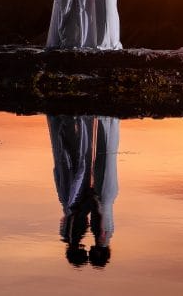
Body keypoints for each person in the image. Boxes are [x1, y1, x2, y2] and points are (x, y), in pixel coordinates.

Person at [47, 115, 119, 268]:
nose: (88, 249)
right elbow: (96, 212)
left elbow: (78, 214)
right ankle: (86, 123)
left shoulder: (92, 236)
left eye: (84, 253)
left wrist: (89, 198)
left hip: (83, 197)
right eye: (92, 254)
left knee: (86, 160)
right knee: (95, 159)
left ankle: (89, 123)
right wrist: (91, 199)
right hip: (94, 196)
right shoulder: (99, 236)